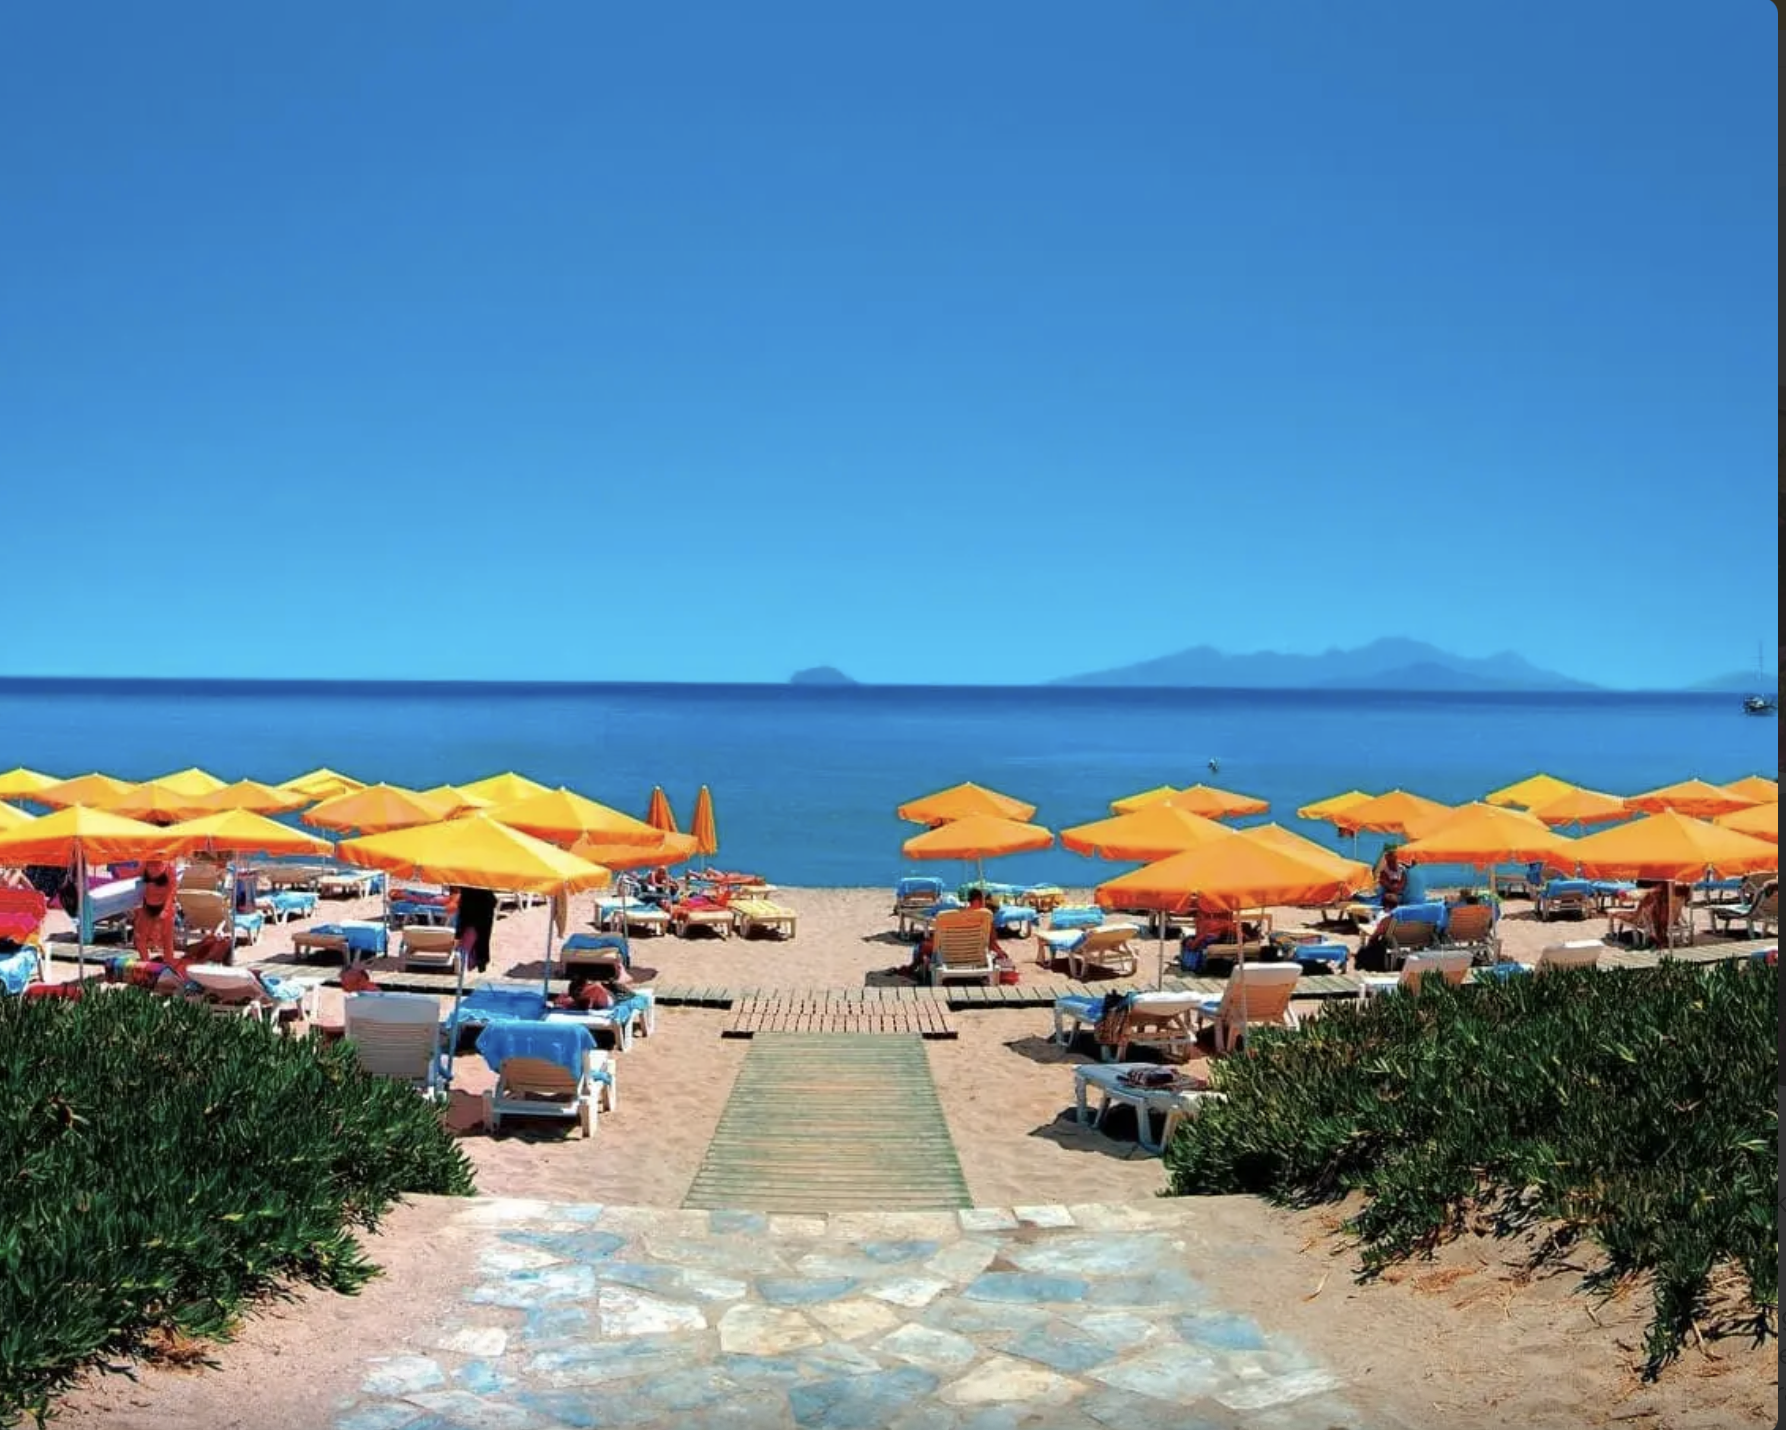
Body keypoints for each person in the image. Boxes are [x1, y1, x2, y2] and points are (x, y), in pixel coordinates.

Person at [906, 890, 1002, 980]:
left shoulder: (951, 917)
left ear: (974, 901)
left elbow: (937, 943)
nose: (987, 906)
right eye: (986, 903)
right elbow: (991, 945)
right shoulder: (986, 921)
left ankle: (923, 967)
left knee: (920, 948)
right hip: (976, 957)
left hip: (948, 957)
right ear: (978, 902)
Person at [133, 859, 178, 961]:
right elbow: (134, 873)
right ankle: (146, 963)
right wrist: (118, 872)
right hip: (148, 905)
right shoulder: (145, 862)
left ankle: (169, 965)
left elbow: (172, 889)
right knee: (140, 938)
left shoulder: (169, 865)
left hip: (165, 906)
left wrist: (165, 910)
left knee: (166, 939)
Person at [453, 885, 498, 974]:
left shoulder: (468, 890)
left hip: (474, 918)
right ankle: (473, 965)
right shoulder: (481, 887)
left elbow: (464, 914)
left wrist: (458, 935)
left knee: (464, 952)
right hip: (481, 914)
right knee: (477, 945)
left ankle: (464, 969)